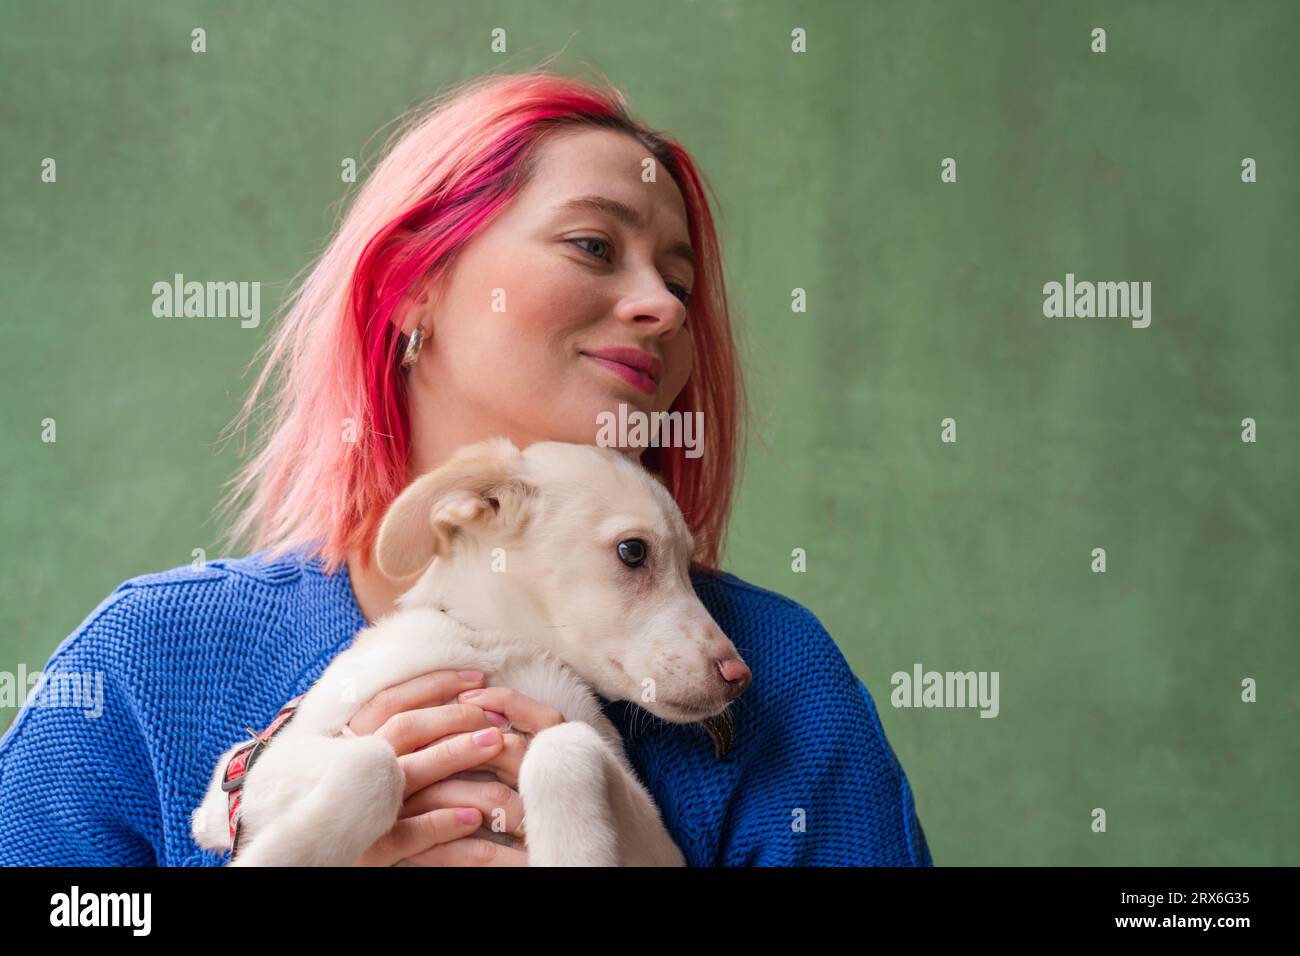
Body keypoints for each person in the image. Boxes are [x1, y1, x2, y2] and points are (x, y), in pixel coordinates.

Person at [0, 67, 932, 867]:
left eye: (680, 283)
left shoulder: (779, 675)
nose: (662, 306)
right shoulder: (149, 659)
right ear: (414, 283)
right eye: (594, 246)